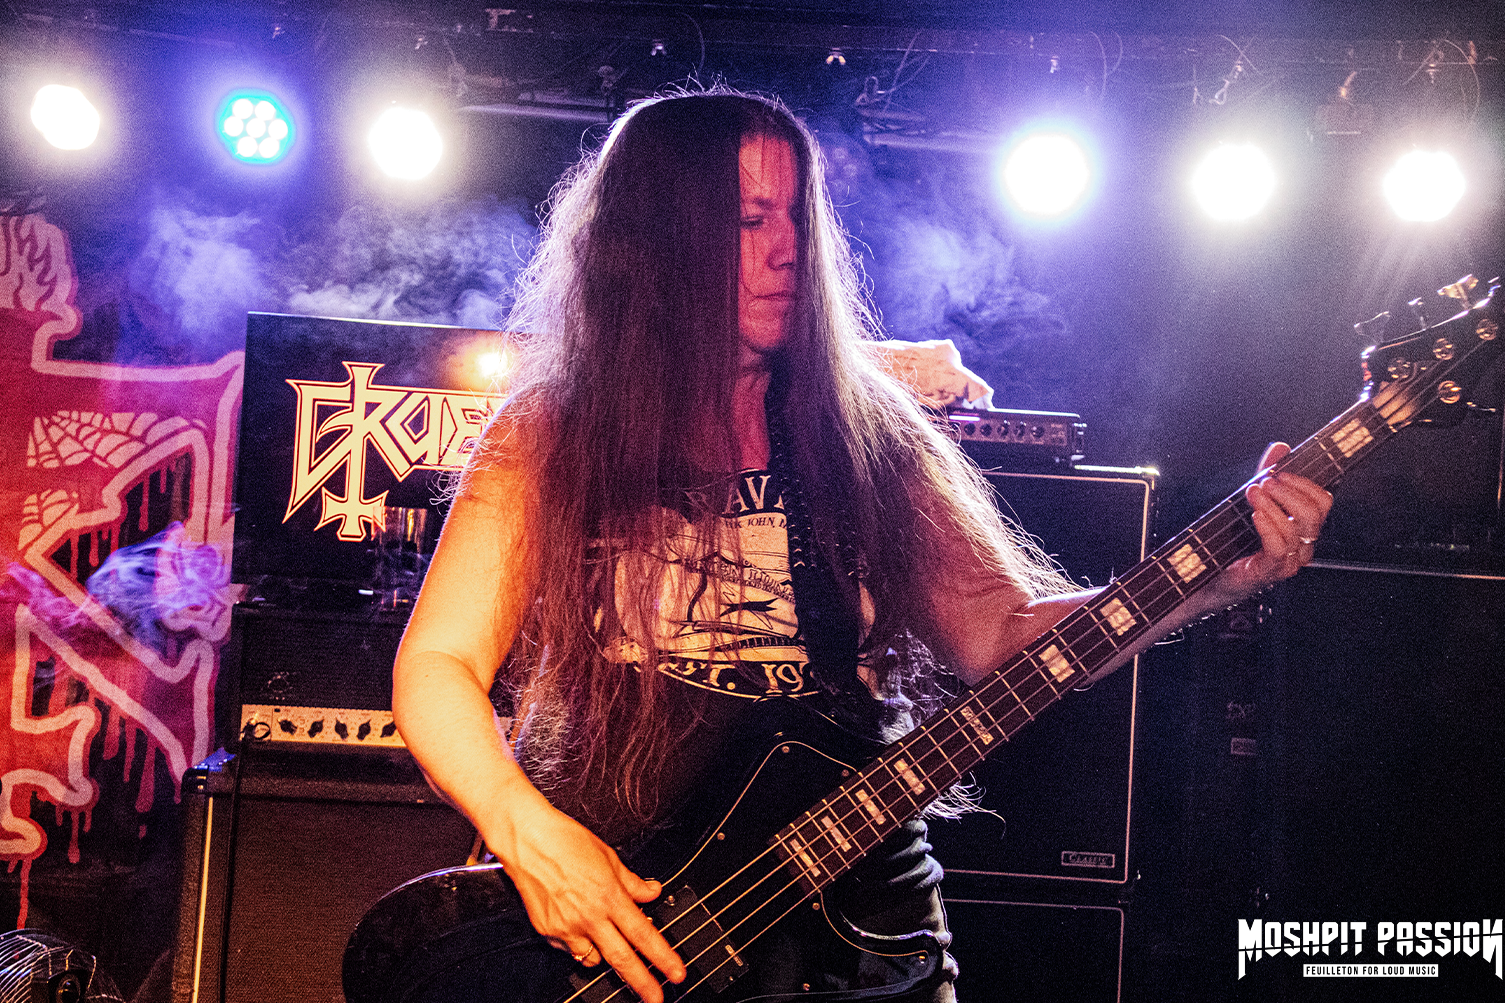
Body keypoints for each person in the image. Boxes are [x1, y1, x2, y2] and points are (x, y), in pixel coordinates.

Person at [391, 90, 1331, 1003]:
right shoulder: (554, 432)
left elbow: (999, 629)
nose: (788, 249)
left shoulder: (865, 432)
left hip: (861, 933)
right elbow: (437, 665)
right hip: (631, 910)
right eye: (748, 220)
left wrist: (1210, 581)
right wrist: (528, 833)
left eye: (796, 217)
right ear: (656, 241)